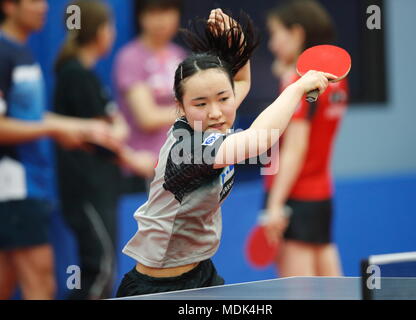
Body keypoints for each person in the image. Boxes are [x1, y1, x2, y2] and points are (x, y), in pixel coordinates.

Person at [116, 8, 335, 297]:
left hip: (202, 274)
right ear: (180, 108)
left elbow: (241, 81)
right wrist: (298, 88)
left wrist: (237, 42)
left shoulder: (216, 126)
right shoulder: (188, 148)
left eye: (223, 98)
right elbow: (258, 140)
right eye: (200, 103)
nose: (216, 112)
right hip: (157, 288)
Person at [0, 0, 111, 300]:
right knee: (41, 284)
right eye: (34, 0)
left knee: (5, 282)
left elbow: (30, 118)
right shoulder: (2, 52)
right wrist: (56, 129)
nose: (44, 6)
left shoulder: (22, 51)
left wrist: (76, 127)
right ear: (9, 6)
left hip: (31, 185)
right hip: (13, 188)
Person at [53, 0, 154, 300]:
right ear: (98, 32)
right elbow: (102, 136)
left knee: (104, 268)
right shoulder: (75, 74)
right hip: (86, 189)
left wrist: (115, 131)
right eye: (108, 26)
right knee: (100, 268)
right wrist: (133, 158)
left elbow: (114, 128)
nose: (112, 33)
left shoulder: (88, 75)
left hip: (101, 188)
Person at [264, 0, 349, 277]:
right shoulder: (335, 80)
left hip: (293, 196)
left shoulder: (298, 86)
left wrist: (275, 205)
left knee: (300, 293)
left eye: (275, 34)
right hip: (321, 193)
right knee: (334, 289)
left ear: (297, 34)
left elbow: (295, 148)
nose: (272, 44)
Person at [113, 0, 186, 193]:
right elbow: (147, 117)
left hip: (181, 167)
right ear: (141, 17)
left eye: (167, 11)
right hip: (143, 169)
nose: (161, 20)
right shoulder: (130, 58)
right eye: (153, 13)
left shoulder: (180, 56)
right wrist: (194, 111)